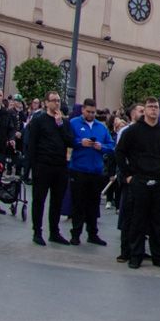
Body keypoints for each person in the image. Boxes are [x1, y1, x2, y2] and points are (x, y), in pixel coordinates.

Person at [114, 97, 160, 269]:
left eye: (156, 107)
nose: (153, 110)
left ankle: (159, 256)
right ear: (145, 110)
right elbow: (119, 153)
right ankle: (135, 255)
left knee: (159, 222)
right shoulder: (132, 132)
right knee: (137, 221)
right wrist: (127, 175)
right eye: (150, 107)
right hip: (139, 180)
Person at [26, 91, 73, 245]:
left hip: (59, 166)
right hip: (42, 164)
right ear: (46, 103)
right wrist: (31, 166)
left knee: (57, 201)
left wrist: (60, 125)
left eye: (58, 100)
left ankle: (54, 231)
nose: (57, 103)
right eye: (53, 100)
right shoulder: (39, 120)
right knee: (39, 199)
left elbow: (70, 141)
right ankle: (37, 231)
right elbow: (32, 144)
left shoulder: (65, 122)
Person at [68, 99, 113, 246]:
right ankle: (76, 233)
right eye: (88, 112)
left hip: (96, 170)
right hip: (79, 169)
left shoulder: (101, 127)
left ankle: (92, 233)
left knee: (93, 204)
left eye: (93, 112)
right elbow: (68, 140)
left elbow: (111, 145)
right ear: (82, 110)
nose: (91, 114)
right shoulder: (74, 123)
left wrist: (102, 147)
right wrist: (80, 143)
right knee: (78, 204)